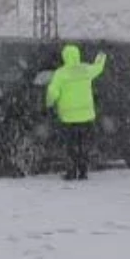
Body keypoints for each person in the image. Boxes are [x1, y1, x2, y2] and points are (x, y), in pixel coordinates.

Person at [45, 44, 107, 180]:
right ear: (78, 55)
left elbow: (52, 91)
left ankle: (71, 172)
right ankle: (83, 172)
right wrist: (102, 55)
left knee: (71, 146)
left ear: (64, 57)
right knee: (83, 145)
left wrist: (49, 103)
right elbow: (98, 68)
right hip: (86, 117)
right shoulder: (85, 70)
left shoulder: (61, 73)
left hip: (68, 118)